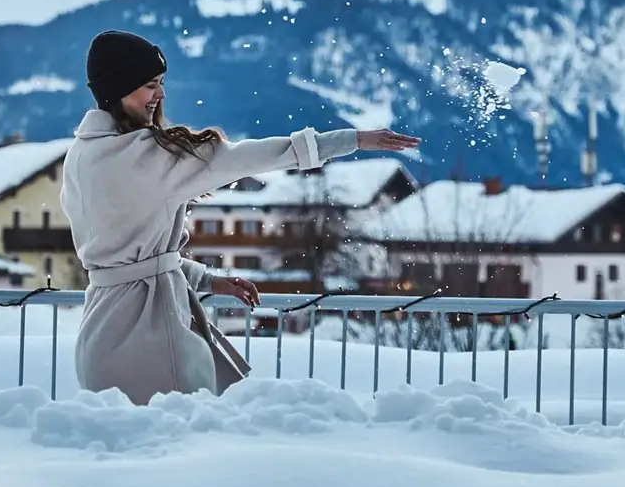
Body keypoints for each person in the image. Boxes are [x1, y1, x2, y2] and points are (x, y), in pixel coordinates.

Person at [62, 29, 420, 406]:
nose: (161, 94)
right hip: (150, 338)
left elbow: (129, 262)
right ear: (119, 87)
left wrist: (210, 281)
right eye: (151, 85)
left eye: (161, 83)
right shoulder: (148, 157)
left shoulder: (79, 158)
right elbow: (250, 157)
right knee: (188, 448)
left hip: (99, 339)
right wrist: (352, 141)